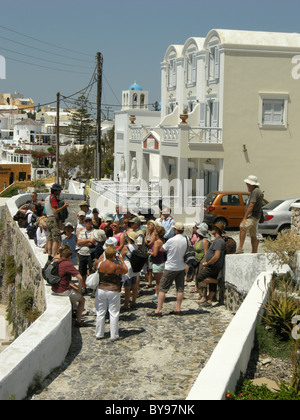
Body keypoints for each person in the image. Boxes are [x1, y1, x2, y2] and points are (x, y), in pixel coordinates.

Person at [148, 221, 187, 317]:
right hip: (181, 266)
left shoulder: (171, 240)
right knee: (180, 289)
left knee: (162, 288)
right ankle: (178, 309)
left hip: (171, 266)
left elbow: (162, 249)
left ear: (176, 230)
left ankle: (158, 310)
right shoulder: (187, 239)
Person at [95, 246, 128, 341]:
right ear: (113, 256)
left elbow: (95, 267)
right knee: (113, 313)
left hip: (101, 289)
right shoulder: (115, 267)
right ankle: (114, 335)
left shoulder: (99, 264)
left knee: (100, 312)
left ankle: (99, 334)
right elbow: (125, 270)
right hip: (113, 290)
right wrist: (121, 260)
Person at [51, 247, 85, 327]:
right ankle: (78, 322)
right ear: (69, 256)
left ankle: (73, 312)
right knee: (82, 300)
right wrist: (79, 289)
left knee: (73, 294)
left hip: (54, 289)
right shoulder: (67, 264)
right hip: (63, 291)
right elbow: (80, 278)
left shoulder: (56, 262)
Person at [196, 222, 225, 307]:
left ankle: (218, 282)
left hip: (214, 265)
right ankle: (209, 301)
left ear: (216, 230)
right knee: (211, 284)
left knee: (199, 278)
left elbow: (216, 256)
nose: (211, 230)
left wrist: (207, 263)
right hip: (213, 265)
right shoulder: (216, 240)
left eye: (213, 228)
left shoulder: (219, 241)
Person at [236, 175, 263, 254]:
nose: (247, 185)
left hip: (253, 216)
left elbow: (251, 205)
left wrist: (244, 218)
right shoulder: (257, 191)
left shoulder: (255, 192)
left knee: (242, 227)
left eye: (248, 184)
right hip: (256, 216)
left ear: (252, 184)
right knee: (253, 234)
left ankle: (240, 248)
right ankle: (254, 251)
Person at [44, 183, 69, 259]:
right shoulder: (53, 198)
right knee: (56, 238)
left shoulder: (47, 198)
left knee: (50, 237)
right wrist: (63, 206)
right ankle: (54, 255)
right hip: (53, 219)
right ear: (56, 191)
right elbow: (55, 211)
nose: (60, 192)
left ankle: (49, 254)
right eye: (59, 191)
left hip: (48, 218)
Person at [189, 223, 210, 297]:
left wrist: (205, 263)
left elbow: (205, 253)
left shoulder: (204, 241)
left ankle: (203, 295)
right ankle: (200, 293)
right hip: (197, 261)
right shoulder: (198, 240)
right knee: (197, 277)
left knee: (202, 278)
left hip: (201, 261)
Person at [120, 231, 139, 310]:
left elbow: (121, 257)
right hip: (135, 266)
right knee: (134, 285)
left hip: (127, 266)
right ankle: (133, 302)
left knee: (127, 286)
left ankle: (126, 303)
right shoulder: (136, 246)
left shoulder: (126, 247)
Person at [77, 216, 95, 294]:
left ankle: (91, 287)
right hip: (82, 253)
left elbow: (92, 242)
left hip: (90, 254)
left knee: (91, 271)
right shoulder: (81, 231)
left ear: (91, 222)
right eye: (86, 221)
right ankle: (84, 287)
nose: (88, 223)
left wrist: (83, 241)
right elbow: (78, 242)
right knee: (82, 271)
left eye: (89, 221)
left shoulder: (94, 231)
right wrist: (88, 240)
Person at [148, 225, 166, 303]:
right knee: (158, 281)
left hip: (157, 263)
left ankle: (159, 296)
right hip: (161, 262)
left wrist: (149, 252)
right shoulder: (162, 240)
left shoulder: (157, 242)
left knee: (158, 282)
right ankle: (156, 294)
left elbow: (154, 254)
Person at [144, 220, 157, 289]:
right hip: (147, 250)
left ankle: (155, 282)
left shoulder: (154, 234)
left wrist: (147, 241)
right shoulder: (148, 233)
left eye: (150, 225)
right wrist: (146, 234)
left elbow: (150, 243)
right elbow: (146, 241)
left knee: (152, 267)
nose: (149, 227)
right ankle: (149, 282)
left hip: (152, 250)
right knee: (148, 267)